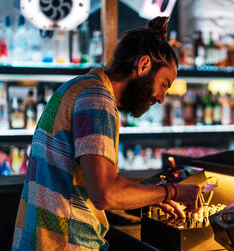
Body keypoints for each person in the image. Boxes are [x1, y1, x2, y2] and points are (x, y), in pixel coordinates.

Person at [12, 17, 204, 251]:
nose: (161, 97)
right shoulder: (98, 100)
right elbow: (105, 193)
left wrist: (153, 196)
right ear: (144, 65)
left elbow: (89, 184)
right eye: (164, 83)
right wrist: (171, 191)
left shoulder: (76, 87)